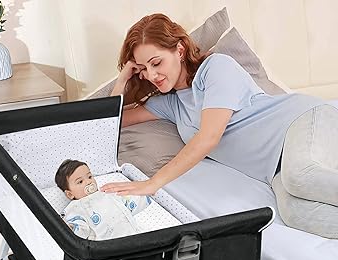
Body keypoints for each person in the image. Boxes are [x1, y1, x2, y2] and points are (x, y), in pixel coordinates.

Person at [100, 13, 338, 236]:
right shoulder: (170, 104)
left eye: (156, 63)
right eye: (143, 69)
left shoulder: (216, 68)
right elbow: (109, 122)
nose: (151, 75)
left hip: (301, 121)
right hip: (273, 168)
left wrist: (153, 183)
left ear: (179, 50)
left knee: (300, 177)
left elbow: (208, 137)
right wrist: (122, 81)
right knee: (296, 214)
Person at [55, 159, 151, 240]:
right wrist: (71, 228)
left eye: (89, 177)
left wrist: (143, 196)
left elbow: (125, 202)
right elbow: (81, 230)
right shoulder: (76, 207)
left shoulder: (106, 193)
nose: (88, 182)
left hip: (133, 233)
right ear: (70, 194)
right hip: (107, 244)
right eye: (80, 181)